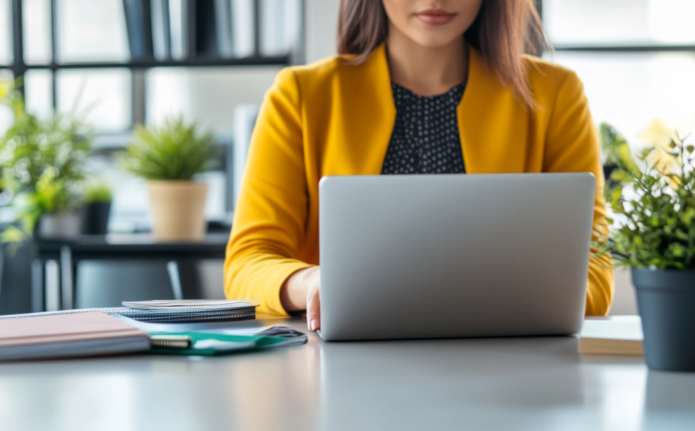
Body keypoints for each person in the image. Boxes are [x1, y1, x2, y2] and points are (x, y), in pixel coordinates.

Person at [225, 0, 614, 332]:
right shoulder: (300, 97)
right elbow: (247, 263)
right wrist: (315, 280)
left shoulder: (556, 95)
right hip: (341, 374)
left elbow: (593, 271)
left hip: (511, 374)